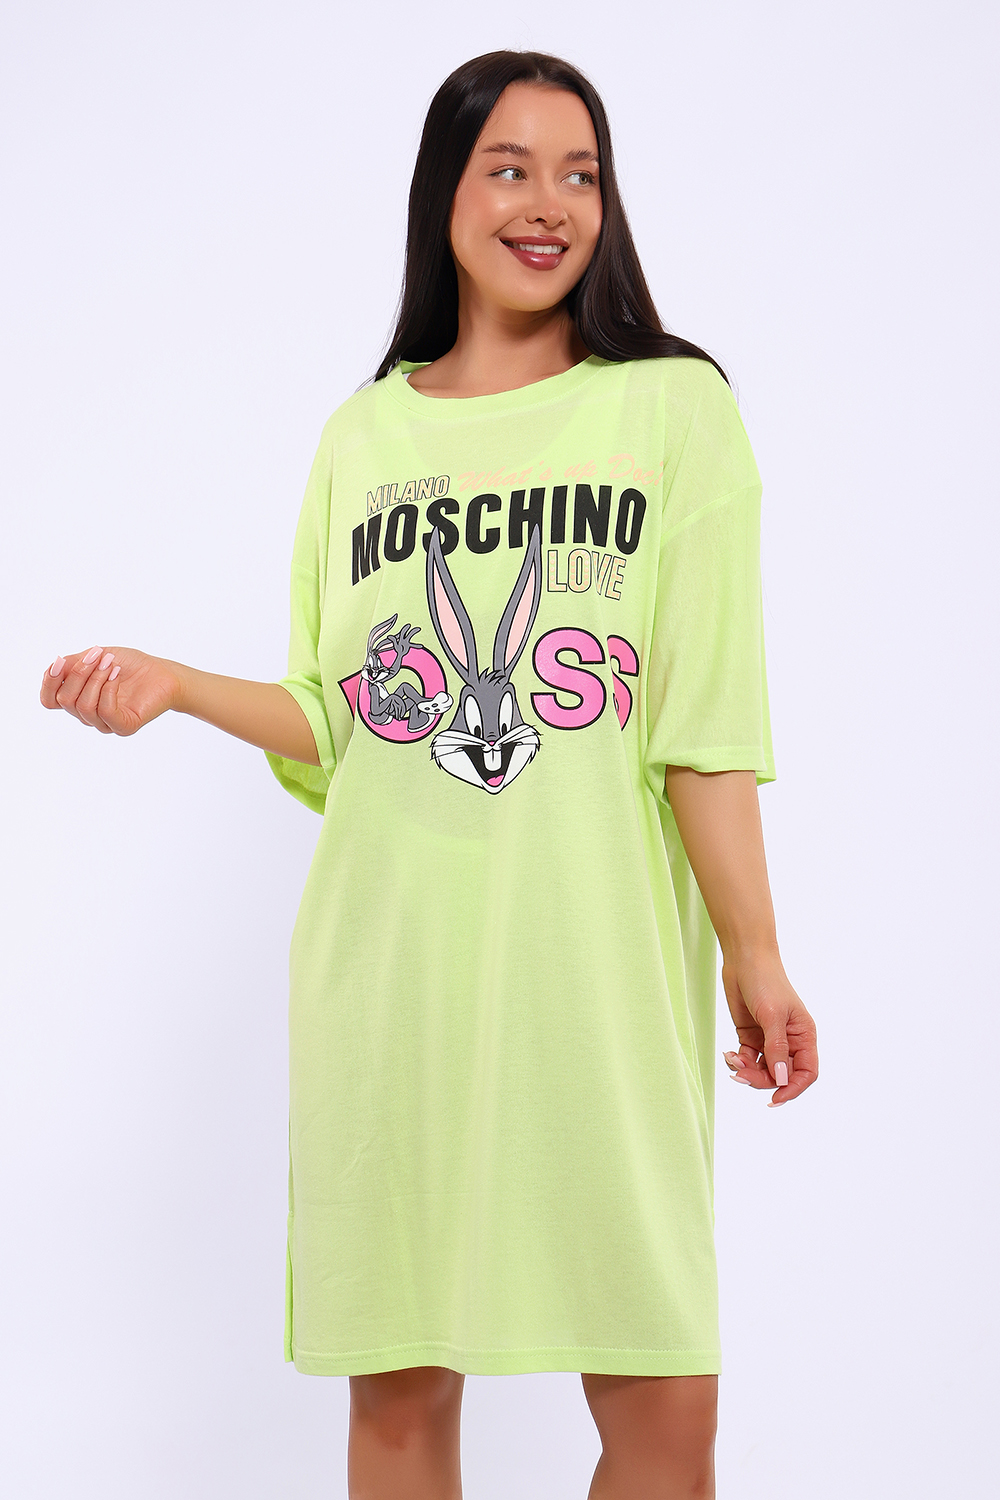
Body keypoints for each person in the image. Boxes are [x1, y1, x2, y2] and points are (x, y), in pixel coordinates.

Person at [40, 48, 818, 1500]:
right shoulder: (365, 435)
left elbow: (703, 716)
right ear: (444, 194)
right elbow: (344, 718)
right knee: (399, 1406)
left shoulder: (673, 411)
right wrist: (176, 687)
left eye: (579, 174)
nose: (547, 205)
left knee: (665, 1418)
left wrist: (756, 955)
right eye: (508, 169)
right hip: (391, 983)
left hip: (598, 983)